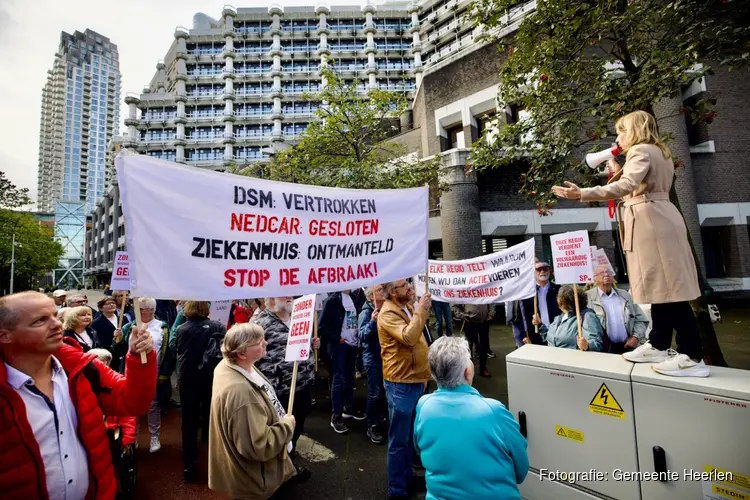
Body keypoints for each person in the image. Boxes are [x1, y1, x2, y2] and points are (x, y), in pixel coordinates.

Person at [552, 110, 708, 377]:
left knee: (670, 289)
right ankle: (659, 342)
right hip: (656, 218)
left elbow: (627, 185)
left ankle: (692, 354)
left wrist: (583, 193)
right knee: (661, 285)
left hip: (651, 222)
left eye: (621, 131)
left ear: (634, 130)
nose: (619, 137)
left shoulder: (641, 151)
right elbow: (636, 183)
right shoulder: (658, 151)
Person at [0, 291, 157, 499]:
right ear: (5, 335)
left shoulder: (81, 367)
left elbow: (131, 401)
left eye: (55, 316)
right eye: (40, 321)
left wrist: (138, 357)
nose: (56, 324)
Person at [415, 336, 528, 500]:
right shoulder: (493, 410)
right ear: (467, 371)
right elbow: (521, 467)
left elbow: (419, 448)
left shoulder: (424, 405)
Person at [208, 323, 301, 500]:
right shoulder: (242, 393)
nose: (265, 343)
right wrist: (286, 426)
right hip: (257, 481)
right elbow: (259, 446)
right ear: (242, 353)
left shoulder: (229, 365)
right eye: (259, 342)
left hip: (249, 475)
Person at [378, 279, 432, 500]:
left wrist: (423, 374)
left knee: (410, 435)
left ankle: (407, 477)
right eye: (404, 285)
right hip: (401, 383)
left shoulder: (406, 306)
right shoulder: (387, 314)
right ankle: (397, 490)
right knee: (399, 440)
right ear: (392, 292)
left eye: (409, 282)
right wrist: (420, 311)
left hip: (414, 379)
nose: (410, 287)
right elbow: (409, 337)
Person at [252, 296, 319, 472]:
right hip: (279, 391)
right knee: (279, 434)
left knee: (296, 429)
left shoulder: (298, 317)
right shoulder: (260, 323)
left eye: (291, 293)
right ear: (271, 298)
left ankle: (289, 464)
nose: (290, 297)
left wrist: (312, 344)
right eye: (284, 293)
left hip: (302, 385)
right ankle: (278, 472)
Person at [172, 300, 226, 482]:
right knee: (213, 420)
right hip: (212, 378)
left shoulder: (181, 329)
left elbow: (176, 349)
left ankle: (189, 466)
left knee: (188, 423)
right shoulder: (218, 326)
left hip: (188, 379)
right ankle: (216, 464)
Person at [114, 297, 175, 453]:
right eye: (137, 309)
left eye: (141, 309)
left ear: (151, 310)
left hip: (152, 372)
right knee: (131, 406)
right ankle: (132, 437)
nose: (138, 312)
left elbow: (168, 352)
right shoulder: (129, 327)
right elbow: (119, 350)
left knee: (153, 405)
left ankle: (155, 436)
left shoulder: (162, 327)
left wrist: (163, 374)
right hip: (131, 373)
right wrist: (117, 339)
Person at [318, 290, 366, 435]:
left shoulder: (352, 297)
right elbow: (322, 327)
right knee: (338, 379)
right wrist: (337, 338)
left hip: (351, 345)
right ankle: (336, 416)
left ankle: (349, 408)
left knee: (349, 377)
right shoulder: (332, 301)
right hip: (340, 346)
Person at [586, 265, 650, 354]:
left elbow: (641, 319)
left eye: (609, 272)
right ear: (594, 280)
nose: (606, 274)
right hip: (602, 350)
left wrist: (636, 337)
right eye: (602, 273)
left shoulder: (625, 295)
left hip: (627, 347)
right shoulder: (587, 298)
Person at [526, 285, 604, 352]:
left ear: (562, 303)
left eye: (559, 298)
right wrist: (540, 326)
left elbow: (597, 343)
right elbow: (552, 339)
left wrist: (587, 345)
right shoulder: (559, 318)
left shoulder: (588, 316)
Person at [508, 260, 562, 347]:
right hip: (535, 334)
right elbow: (521, 316)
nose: (542, 271)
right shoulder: (527, 292)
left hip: (556, 333)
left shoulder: (558, 290)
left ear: (550, 271)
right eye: (539, 269)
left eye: (545, 269)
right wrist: (524, 336)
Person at [358, 285, 387, 445]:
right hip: (373, 359)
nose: (382, 291)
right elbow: (361, 336)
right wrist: (371, 322)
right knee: (375, 392)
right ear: (371, 297)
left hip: (385, 358)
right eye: (379, 290)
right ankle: (372, 425)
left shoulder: (386, 308)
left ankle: (380, 420)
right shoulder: (366, 312)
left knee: (383, 391)